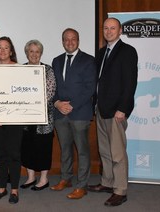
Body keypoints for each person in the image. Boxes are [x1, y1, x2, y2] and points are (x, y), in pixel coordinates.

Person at [88, 17, 138, 207]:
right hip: (101, 109)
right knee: (105, 151)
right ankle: (108, 183)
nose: (108, 31)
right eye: (106, 28)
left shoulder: (127, 51)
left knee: (117, 153)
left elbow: (130, 82)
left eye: (112, 28)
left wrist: (123, 109)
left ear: (120, 30)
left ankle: (120, 190)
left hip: (117, 111)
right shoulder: (102, 52)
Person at [49, 28, 96, 200]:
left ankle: (81, 185)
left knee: (82, 151)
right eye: (66, 39)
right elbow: (53, 87)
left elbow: (90, 87)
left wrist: (72, 105)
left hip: (80, 113)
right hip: (60, 113)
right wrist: (57, 103)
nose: (69, 42)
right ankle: (65, 179)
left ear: (78, 40)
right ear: (62, 41)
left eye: (73, 39)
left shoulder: (89, 60)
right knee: (65, 149)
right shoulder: (57, 61)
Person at [0, 36, 22, 204]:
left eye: (6, 47)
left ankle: (14, 190)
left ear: (11, 51)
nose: (2, 51)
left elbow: (20, 97)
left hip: (14, 121)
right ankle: (2, 188)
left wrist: (6, 115)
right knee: (0, 155)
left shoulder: (19, 70)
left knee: (14, 155)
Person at [20, 40, 56, 191]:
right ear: (27, 53)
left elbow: (50, 91)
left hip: (43, 118)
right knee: (27, 147)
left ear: (41, 53)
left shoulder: (48, 70)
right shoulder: (20, 70)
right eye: (31, 51)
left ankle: (43, 179)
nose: (34, 54)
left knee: (43, 147)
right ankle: (30, 177)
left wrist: (32, 103)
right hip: (25, 118)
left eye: (37, 52)